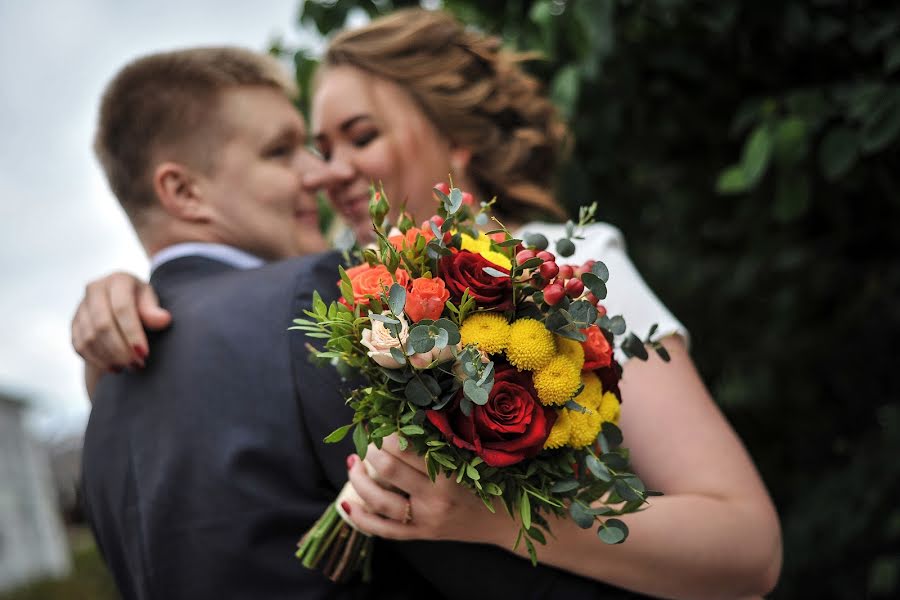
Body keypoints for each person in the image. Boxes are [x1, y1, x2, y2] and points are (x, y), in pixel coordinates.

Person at [73, 9, 782, 599]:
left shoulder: (567, 263)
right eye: (315, 147)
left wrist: (503, 517)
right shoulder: (345, 311)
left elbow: (746, 542)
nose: (326, 173)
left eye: (361, 137)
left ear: (458, 139)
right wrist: (140, 292)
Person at [77, 46, 438, 600]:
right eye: (281, 152)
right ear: (183, 191)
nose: (319, 175)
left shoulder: (104, 400)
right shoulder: (309, 296)